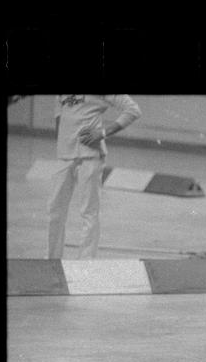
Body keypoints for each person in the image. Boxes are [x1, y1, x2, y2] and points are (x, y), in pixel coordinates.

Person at [47, 95, 142, 259]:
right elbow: (59, 115)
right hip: (64, 155)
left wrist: (103, 132)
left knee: (89, 212)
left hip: (90, 155)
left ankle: (85, 264)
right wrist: (63, 143)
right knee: (55, 209)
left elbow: (133, 110)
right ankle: (51, 260)